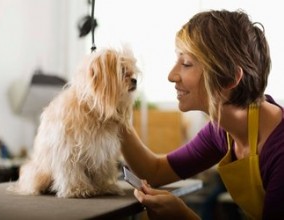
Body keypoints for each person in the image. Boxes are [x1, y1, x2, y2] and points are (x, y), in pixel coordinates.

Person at [121, 9, 284, 220]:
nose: (172, 76)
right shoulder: (223, 130)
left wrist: (184, 216)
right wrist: (116, 116)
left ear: (230, 78)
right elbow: (156, 171)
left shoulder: (279, 153)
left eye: (187, 64)